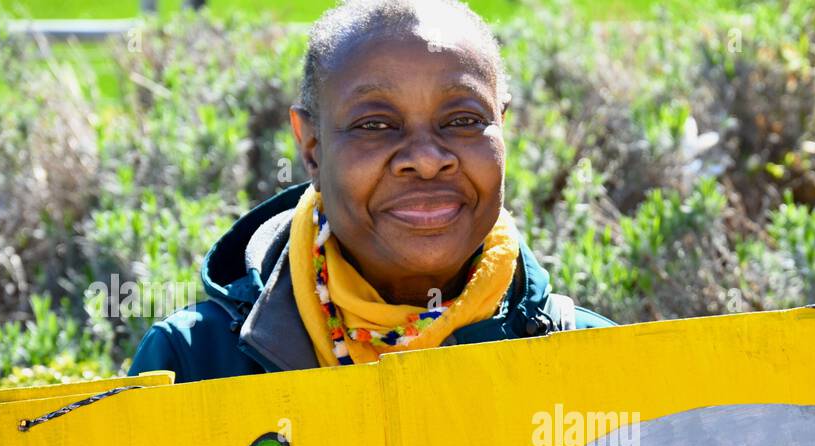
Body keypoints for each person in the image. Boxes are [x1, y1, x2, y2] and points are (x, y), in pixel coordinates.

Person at [128, 0, 611, 384]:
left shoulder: (600, 363)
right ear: (312, 146)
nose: (425, 158)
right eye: (375, 124)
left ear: (502, 128)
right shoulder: (193, 366)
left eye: (463, 120)